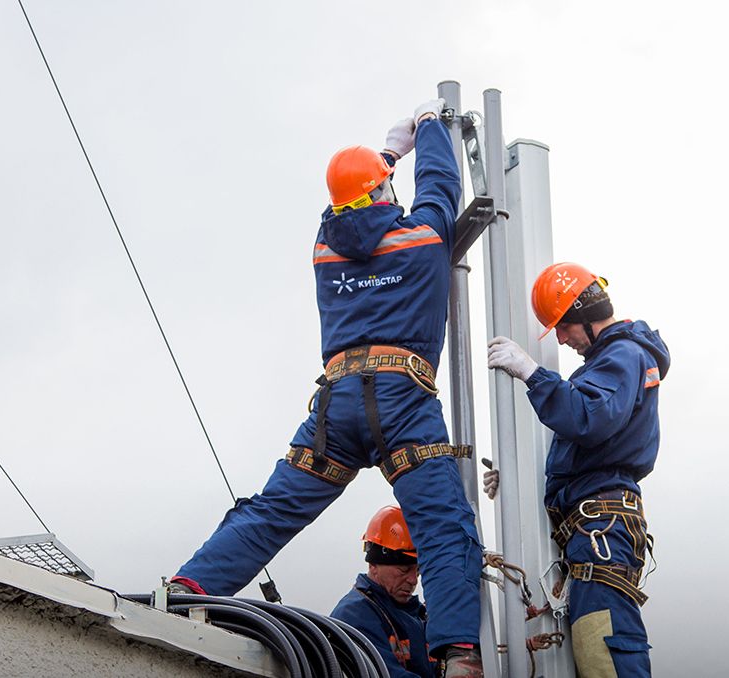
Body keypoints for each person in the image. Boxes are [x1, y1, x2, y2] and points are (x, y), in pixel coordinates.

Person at [168, 98, 484, 677]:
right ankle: (459, 654)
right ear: (385, 191)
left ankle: (189, 590)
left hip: (336, 407)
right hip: (401, 399)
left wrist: (387, 151)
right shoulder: (421, 237)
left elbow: (348, 207)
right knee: (442, 527)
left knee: (273, 510)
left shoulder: (325, 246)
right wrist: (432, 128)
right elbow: (439, 185)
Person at [485, 262, 669, 678]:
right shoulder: (613, 362)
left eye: (563, 327)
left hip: (600, 527)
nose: (562, 339)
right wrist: (513, 477)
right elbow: (582, 448)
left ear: (586, 315)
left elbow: (589, 417)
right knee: (593, 646)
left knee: (603, 646)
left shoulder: (622, 356)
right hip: (591, 526)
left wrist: (532, 374)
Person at [331, 506, 437, 678]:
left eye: (417, 571)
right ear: (373, 565)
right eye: (404, 570)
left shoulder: (420, 616)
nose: (413, 580)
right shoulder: (355, 616)